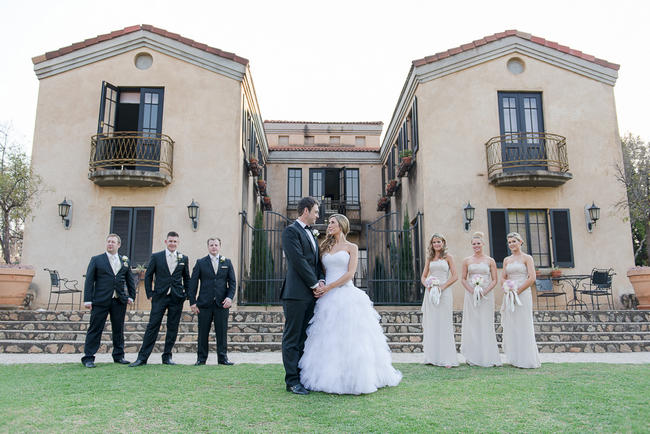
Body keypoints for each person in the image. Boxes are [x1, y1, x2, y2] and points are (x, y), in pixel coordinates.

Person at [299, 214, 402, 395]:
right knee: (328, 339)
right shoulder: (324, 247)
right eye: (329, 223)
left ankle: (355, 378)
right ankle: (329, 377)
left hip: (345, 294)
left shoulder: (352, 247)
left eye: (332, 222)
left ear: (341, 225)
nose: (329, 225)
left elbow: (350, 274)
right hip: (326, 298)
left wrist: (329, 287)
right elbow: (322, 272)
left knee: (351, 339)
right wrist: (322, 285)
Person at [280, 197, 325, 395]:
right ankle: (291, 381)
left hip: (311, 295)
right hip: (296, 294)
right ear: (305, 211)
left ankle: (301, 377)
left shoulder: (312, 235)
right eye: (316, 211)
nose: (318, 215)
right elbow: (298, 261)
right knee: (292, 338)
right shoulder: (291, 232)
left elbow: (316, 263)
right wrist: (314, 283)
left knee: (303, 339)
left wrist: (321, 280)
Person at [130, 231, 190, 367]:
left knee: (172, 327)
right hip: (160, 297)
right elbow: (148, 275)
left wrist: (186, 295)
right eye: (170, 241)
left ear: (178, 243)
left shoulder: (183, 258)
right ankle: (142, 358)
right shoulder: (156, 257)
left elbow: (187, 278)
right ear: (166, 242)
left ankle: (167, 357)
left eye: (175, 241)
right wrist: (150, 294)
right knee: (153, 326)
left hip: (176, 297)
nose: (172, 244)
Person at [81, 234, 135, 368]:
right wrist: (88, 299)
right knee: (95, 328)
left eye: (113, 242)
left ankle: (119, 356)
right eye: (108, 242)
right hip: (100, 300)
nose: (110, 244)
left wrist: (131, 296)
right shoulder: (97, 259)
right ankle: (88, 357)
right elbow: (89, 280)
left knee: (118, 329)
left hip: (119, 300)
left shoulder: (124, 261)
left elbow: (129, 280)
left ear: (119, 245)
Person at [188, 237, 236, 366]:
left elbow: (232, 283)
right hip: (204, 304)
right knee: (203, 332)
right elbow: (193, 283)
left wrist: (230, 298)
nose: (214, 247)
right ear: (208, 247)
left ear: (219, 246)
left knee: (222, 332)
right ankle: (201, 359)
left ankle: (223, 358)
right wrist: (192, 302)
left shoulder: (227, 262)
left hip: (221, 304)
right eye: (211, 245)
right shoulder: (200, 262)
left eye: (216, 245)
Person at [459, 232, 502, 367]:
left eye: (478, 243)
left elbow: (495, 280)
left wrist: (485, 291)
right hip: (471, 295)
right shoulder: (467, 260)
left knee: (485, 322)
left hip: (486, 295)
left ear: (483, 244)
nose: (476, 246)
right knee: (473, 323)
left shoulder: (490, 260)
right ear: (471, 245)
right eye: (474, 244)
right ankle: (473, 356)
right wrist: (471, 290)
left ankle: (487, 355)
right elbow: (463, 278)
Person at [500, 232, 541, 368]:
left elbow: (532, 277)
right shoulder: (507, 260)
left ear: (520, 242)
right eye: (510, 242)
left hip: (523, 293)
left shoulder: (527, 258)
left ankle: (526, 358)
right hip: (510, 294)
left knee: (524, 323)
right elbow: (503, 277)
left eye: (514, 241)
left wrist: (518, 291)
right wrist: (507, 288)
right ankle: (515, 357)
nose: (512, 244)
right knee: (513, 324)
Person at [420, 233, 459, 367]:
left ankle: (447, 358)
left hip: (445, 292)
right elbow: (423, 277)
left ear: (443, 243)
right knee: (433, 323)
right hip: (431, 292)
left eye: (439, 242)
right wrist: (428, 286)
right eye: (434, 242)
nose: (436, 244)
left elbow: (455, 276)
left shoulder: (448, 257)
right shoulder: (429, 259)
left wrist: (443, 286)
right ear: (431, 244)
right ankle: (432, 357)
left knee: (444, 322)